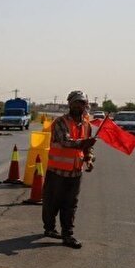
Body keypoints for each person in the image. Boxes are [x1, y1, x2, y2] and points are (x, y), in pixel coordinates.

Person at [42, 90, 96, 249]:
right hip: (57, 172)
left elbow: (87, 149)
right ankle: (49, 228)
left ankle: (68, 234)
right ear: (69, 104)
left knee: (71, 204)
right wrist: (84, 143)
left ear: (86, 105)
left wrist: (89, 158)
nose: (78, 106)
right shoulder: (60, 122)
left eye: (81, 103)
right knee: (52, 203)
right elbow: (66, 141)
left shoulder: (87, 125)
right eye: (75, 102)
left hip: (75, 172)